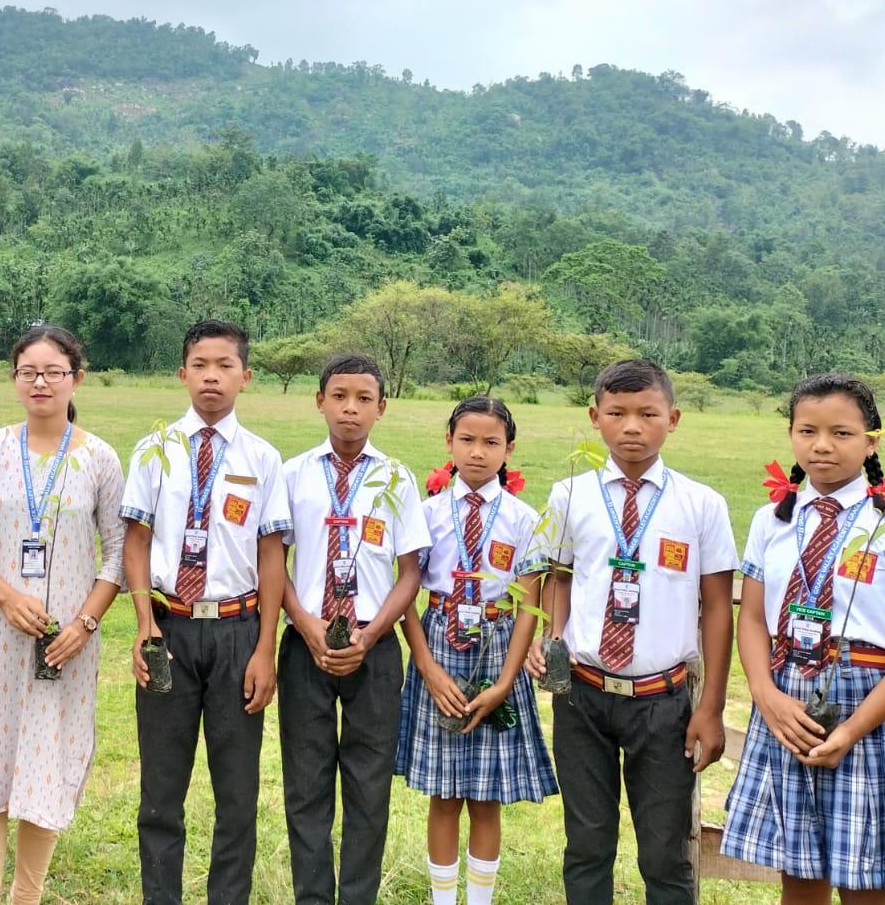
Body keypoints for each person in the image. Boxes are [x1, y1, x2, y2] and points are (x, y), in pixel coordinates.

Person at [722, 373, 885, 902]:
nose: (821, 445)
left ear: (871, 442)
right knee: (799, 873)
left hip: (869, 710)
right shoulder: (770, 521)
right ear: (791, 435)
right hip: (786, 704)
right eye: (807, 431)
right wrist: (765, 695)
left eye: (841, 433)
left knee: (867, 878)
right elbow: (753, 619)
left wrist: (852, 729)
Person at [526, 359, 735, 905]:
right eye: (617, 413)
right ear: (595, 417)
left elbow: (717, 608)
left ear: (674, 419)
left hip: (663, 703)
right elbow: (557, 578)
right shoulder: (570, 495)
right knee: (587, 843)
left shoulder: (701, 504)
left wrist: (711, 706)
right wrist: (549, 637)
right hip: (583, 696)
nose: (632, 427)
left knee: (664, 854)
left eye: (648, 413)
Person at [0, 324, 126, 904]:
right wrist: (6, 597)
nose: (41, 382)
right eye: (29, 372)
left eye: (54, 372)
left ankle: (27, 895)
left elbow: (118, 553)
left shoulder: (98, 458)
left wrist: (84, 625)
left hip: (63, 645)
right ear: (15, 379)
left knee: (46, 763)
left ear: (77, 378)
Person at [122, 319, 290, 905]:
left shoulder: (263, 458)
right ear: (182, 373)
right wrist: (145, 626)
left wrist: (265, 648)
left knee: (237, 794)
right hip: (168, 628)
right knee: (161, 791)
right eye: (200, 365)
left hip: (237, 634)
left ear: (246, 376)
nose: (211, 377)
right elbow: (136, 542)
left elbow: (272, 554)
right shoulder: (155, 449)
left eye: (225, 366)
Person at [278, 354, 427, 905]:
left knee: (369, 786)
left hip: (375, 646)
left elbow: (410, 572)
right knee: (306, 783)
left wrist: (370, 634)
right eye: (339, 396)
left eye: (364, 399)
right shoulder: (293, 474)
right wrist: (305, 622)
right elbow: (273, 562)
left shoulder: (396, 478)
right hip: (307, 645)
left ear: (381, 408)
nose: (350, 409)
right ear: (320, 401)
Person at [398, 397, 557, 905]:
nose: (477, 452)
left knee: (487, 796)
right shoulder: (425, 514)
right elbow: (405, 593)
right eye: (466, 440)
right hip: (439, 644)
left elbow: (530, 604)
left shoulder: (524, 519)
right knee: (444, 793)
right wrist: (426, 666)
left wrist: (507, 681)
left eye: (491, 442)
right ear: (449, 442)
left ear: (510, 449)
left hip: (498, 646)